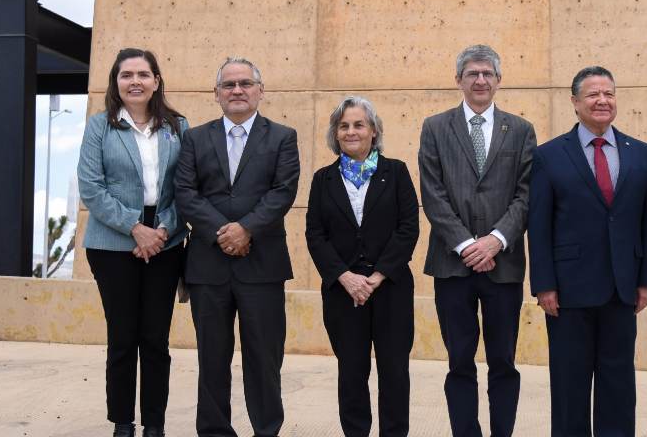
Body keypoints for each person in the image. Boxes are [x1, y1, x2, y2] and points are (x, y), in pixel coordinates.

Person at [528, 66, 647, 437]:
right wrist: (544, 285)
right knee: (570, 388)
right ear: (575, 103)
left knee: (618, 385)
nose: (602, 101)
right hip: (568, 292)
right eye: (593, 95)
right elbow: (538, 226)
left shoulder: (641, 154)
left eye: (609, 94)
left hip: (623, 289)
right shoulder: (549, 155)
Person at [174, 57, 300, 437]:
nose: (237, 90)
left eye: (246, 83)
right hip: (207, 266)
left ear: (260, 91)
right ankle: (214, 430)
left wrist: (246, 230)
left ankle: (266, 429)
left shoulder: (283, 137)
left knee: (264, 357)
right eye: (229, 85)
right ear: (216, 94)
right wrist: (222, 232)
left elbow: (283, 192)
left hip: (262, 264)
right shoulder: (194, 138)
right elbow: (185, 192)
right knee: (212, 357)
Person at [418, 45, 536, 437]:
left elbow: (525, 194)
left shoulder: (520, 130)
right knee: (459, 362)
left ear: (499, 81)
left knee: (503, 361)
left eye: (487, 73)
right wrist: (468, 244)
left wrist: (496, 241)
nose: (480, 80)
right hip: (453, 267)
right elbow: (433, 195)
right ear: (459, 81)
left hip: (503, 267)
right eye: (472, 73)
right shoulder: (435, 127)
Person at [78, 47, 188, 437]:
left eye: (143, 74)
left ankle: (154, 425)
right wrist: (134, 228)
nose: (135, 81)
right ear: (116, 82)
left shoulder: (179, 126)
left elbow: (185, 188)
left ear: (157, 81)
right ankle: (122, 423)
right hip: (111, 243)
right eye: (127, 75)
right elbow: (91, 188)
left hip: (166, 240)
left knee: (155, 339)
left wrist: (162, 229)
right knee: (123, 337)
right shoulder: (100, 127)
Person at [306, 96, 419, 437]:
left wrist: (376, 277)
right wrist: (345, 277)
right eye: (344, 126)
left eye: (359, 124)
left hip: (391, 289)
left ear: (374, 131)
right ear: (335, 134)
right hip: (343, 293)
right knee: (351, 373)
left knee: (394, 372)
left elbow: (408, 228)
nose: (351, 131)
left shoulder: (395, 172)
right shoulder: (322, 179)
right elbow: (315, 234)